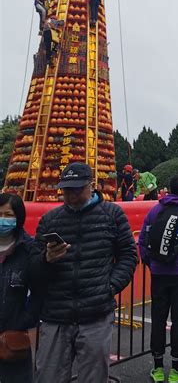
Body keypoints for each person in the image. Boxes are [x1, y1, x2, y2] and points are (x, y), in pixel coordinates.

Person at [30, 162, 137, 383]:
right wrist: (46, 260)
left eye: (77, 189)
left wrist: (110, 287)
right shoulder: (50, 219)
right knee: (48, 375)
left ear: (91, 185)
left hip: (96, 312)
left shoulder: (112, 214)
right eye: (67, 190)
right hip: (56, 314)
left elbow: (128, 254)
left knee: (94, 376)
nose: (71, 195)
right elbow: (33, 266)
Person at [138, 174, 178, 382]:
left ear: (168, 189)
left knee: (158, 319)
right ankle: (176, 369)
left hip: (158, 273)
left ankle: (157, 368)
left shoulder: (156, 209)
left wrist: (151, 262)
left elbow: (143, 239)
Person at [0, 194, 39, 383]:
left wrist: (25, 320)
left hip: (14, 336)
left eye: (8, 215)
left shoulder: (28, 249)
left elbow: (39, 291)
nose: (3, 219)